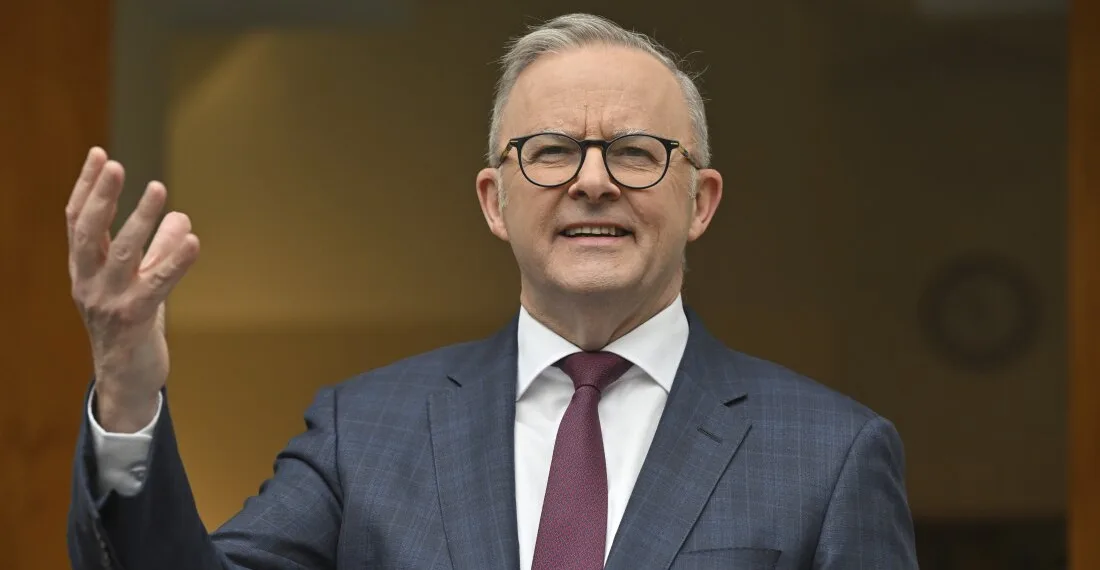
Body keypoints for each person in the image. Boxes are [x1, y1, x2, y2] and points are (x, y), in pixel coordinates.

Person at [65, 12, 918, 570]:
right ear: (493, 201)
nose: (592, 183)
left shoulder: (830, 455)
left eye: (635, 151)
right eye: (549, 151)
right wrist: (128, 387)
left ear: (700, 201)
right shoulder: (365, 434)